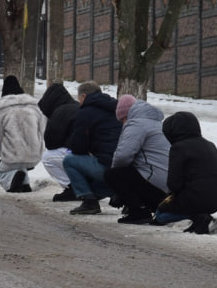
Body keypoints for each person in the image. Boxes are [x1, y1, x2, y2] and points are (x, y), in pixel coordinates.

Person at [152, 111, 217, 234]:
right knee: (192, 200)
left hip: (195, 198)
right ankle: (200, 217)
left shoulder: (178, 148)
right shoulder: (210, 145)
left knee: (160, 214)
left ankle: (198, 217)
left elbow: (174, 184)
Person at [105, 96, 171, 224]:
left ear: (126, 115)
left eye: (122, 120)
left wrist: (117, 191)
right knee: (130, 170)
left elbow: (122, 156)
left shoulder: (136, 124)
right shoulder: (156, 122)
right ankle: (147, 207)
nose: (123, 124)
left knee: (112, 174)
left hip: (155, 182)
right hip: (167, 185)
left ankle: (139, 212)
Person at [61, 82, 122, 215]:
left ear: (83, 96)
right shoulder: (116, 108)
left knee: (69, 160)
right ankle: (118, 192)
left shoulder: (85, 113)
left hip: (107, 165)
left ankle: (89, 201)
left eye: (79, 99)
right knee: (96, 180)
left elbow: (78, 146)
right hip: (125, 166)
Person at [0, 75, 44, 193]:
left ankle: (10, 179)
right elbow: (42, 130)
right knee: (19, 164)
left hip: (12, 157)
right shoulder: (34, 107)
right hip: (34, 157)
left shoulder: (0, 110)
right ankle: (25, 183)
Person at [37, 83, 80, 200]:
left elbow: (50, 143)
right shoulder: (77, 106)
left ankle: (73, 188)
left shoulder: (59, 112)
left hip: (75, 154)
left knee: (48, 158)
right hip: (89, 154)